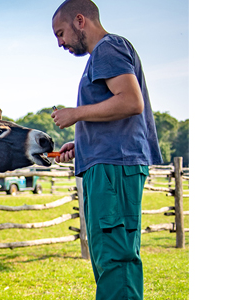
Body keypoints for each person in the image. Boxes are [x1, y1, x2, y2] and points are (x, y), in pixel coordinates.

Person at [50, 1, 162, 299]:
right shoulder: (103, 54)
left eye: (61, 33)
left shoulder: (108, 48)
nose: (60, 43)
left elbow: (130, 101)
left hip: (115, 168)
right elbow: (116, 112)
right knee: (107, 258)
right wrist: (82, 141)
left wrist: (75, 114)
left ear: (80, 20)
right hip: (108, 165)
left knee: (116, 259)